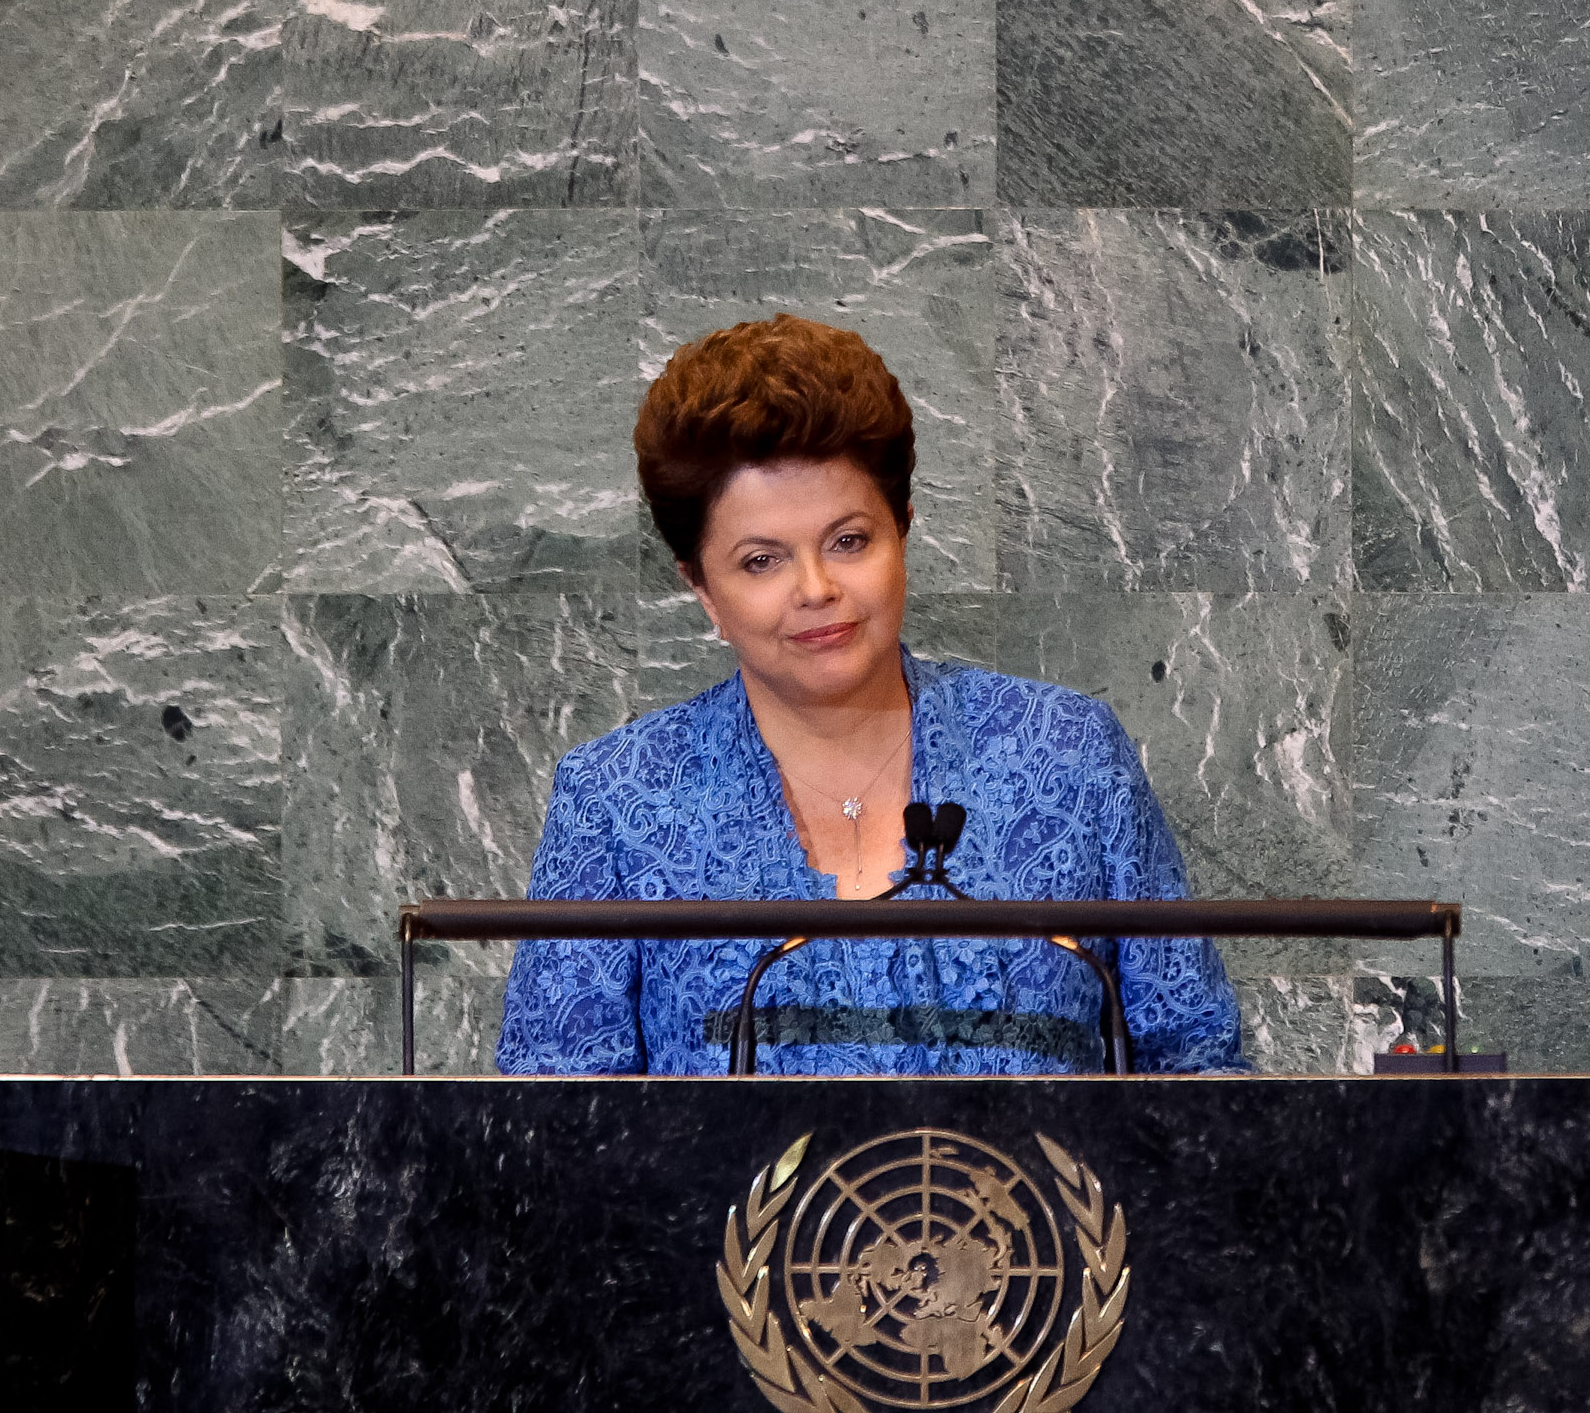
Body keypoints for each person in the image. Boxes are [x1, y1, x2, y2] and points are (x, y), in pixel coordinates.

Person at [498, 315, 1241, 1076]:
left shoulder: (1068, 752)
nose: (817, 589)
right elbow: (552, 1137)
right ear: (703, 589)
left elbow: (1203, 1073)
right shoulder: (617, 800)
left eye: (850, 540)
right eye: (761, 560)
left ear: (903, 533)